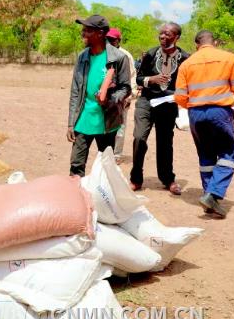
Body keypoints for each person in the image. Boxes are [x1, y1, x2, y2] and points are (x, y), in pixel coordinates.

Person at [174, 30, 234, 218]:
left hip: (196, 114)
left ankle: (210, 199)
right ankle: (213, 194)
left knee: (206, 154)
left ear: (196, 45)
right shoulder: (229, 58)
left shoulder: (187, 63)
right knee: (228, 152)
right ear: (214, 42)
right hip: (220, 113)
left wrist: (194, 106)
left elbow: (179, 97)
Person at [67, 15, 131, 176]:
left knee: (106, 165)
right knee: (76, 165)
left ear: (100, 33)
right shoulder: (83, 57)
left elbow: (125, 88)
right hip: (83, 118)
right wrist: (70, 123)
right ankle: (77, 198)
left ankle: (104, 199)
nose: (83, 34)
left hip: (107, 121)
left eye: (87, 30)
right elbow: (75, 91)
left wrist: (109, 99)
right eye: (83, 30)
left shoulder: (118, 58)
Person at [130, 22, 189, 195]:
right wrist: (152, 80)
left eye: (167, 34)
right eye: (161, 34)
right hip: (146, 101)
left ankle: (168, 179)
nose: (162, 37)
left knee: (165, 142)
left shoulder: (185, 58)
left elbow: (188, 82)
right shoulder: (150, 54)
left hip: (168, 104)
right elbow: (139, 79)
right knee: (139, 138)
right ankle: (136, 179)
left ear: (176, 37)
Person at [106, 27, 137, 163]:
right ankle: (106, 153)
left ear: (119, 40)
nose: (110, 42)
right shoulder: (104, 54)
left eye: (113, 40)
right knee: (105, 126)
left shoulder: (125, 55)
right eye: (108, 39)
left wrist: (130, 96)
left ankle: (117, 155)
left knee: (120, 127)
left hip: (122, 97)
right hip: (106, 97)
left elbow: (132, 76)